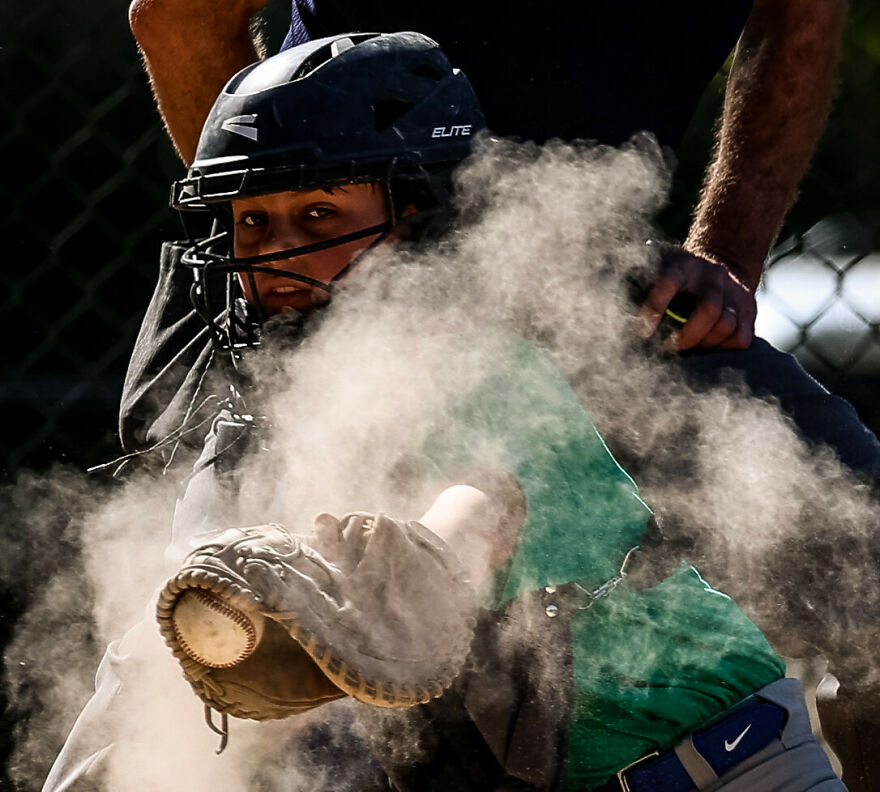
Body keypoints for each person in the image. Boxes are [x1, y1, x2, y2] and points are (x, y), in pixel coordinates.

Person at [50, 32, 849, 792]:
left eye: (319, 215)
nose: (272, 251)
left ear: (414, 219)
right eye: (253, 220)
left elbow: (482, 502)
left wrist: (414, 580)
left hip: (724, 765)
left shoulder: (479, 362)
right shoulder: (281, 401)